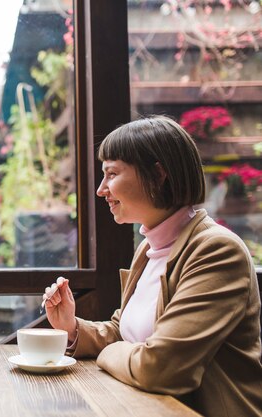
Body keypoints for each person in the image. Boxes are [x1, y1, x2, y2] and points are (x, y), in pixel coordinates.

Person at [43, 116, 262, 417]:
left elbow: (161, 367)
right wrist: (72, 327)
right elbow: (125, 333)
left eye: (111, 174)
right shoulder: (148, 249)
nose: (101, 189)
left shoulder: (216, 250)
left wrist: (108, 353)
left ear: (158, 175)